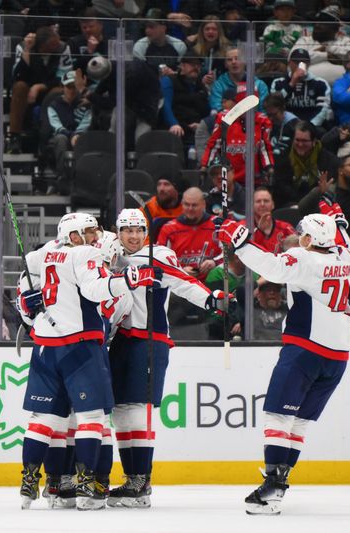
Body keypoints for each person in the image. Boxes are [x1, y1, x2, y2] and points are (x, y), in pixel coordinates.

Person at [217, 198, 350, 515]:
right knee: (300, 422)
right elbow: (348, 247)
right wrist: (338, 221)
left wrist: (240, 243)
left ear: (309, 239)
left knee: (277, 417)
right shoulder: (347, 259)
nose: (297, 239)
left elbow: (272, 268)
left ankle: (272, 489)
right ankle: (278, 483)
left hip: (305, 349)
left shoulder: (303, 258)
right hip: (338, 357)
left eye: (301, 235)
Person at [16, 212, 158, 511]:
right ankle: (88, 485)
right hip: (82, 347)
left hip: (45, 346)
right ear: (76, 236)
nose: (98, 240)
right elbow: (98, 293)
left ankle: (40, 483)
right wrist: (127, 279)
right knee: (93, 419)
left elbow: (27, 285)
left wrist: (25, 303)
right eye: (91, 233)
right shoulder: (88, 257)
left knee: (47, 420)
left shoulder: (46, 254)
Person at [107, 208, 229, 508]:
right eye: (127, 230)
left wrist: (211, 298)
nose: (133, 236)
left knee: (139, 409)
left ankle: (142, 480)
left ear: (146, 232)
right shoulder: (109, 255)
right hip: (120, 340)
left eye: (138, 230)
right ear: (118, 232)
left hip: (149, 340)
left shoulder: (158, 256)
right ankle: (132, 478)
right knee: (121, 411)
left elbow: (181, 281)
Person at [7, 25, 73, 154]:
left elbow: (64, 78)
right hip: (28, 88)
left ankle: (47, 138)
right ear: (42, 46)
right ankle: (14, 136)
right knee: (19, 87)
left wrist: (39, 87)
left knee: (60, 91)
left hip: (51, 88)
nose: (58, 45)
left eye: (58, 41)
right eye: (53, 44)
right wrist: (27, 50)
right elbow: (18, 76)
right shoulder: (23, 47)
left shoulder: (63, 48)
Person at [202, 84, 274, 187]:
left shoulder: (262, 121)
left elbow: (265, 148)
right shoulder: (224, 118)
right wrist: (204, 166)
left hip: (255, 181)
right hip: (229, 180)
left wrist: (269, 168)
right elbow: (213, 145)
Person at [298, 155, 350, 243]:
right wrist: (319, 191)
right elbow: (303, 209)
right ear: (340, 171)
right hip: (332, 242)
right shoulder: (327, 192)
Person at [156, 187, 222, 281]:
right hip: (179, 284)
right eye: (187, 204)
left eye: (194, 205)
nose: (190, 209)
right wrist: (180, 271)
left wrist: (214, 262)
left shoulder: (218, 225)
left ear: (203, 204)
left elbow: (230, 255)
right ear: (182, 204)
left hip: (212, 283)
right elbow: (159, 262)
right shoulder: (169, 229)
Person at [272, 121, 340, 208]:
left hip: (318, 205)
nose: (300, 144)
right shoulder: (283, 158)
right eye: (297, 140)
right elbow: (280, 187)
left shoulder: (329, 161)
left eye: (304, 141)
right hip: (289, 206)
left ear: (314, 141)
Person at [44, 70, 92, 193]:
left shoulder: (86, 104)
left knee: (84, 139)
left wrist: (77, 135)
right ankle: (62, 178)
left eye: (74, 87)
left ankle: (82, 180)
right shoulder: (53, 105)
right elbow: (56, 127)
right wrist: (72, 135)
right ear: (63, 87)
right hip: (57, 139)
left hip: (80, 137)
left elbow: (86, 124)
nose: (71, 90)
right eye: (68, 87)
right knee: (61, 138)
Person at [270, 49, 332, 132]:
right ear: (289, 63)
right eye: (296, 62)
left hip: (311, 126)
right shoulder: (278, 83)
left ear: (309, 64)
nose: (300, 65)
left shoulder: (320, 83)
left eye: (304, 62)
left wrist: (309, 126)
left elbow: (323, 109)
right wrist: (292, 83)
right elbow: (274, 105)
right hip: (286, 125)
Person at [160, 53, 210, 149]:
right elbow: (165, 105)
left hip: (197, 130)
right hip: (176, 128)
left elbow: (206, 109)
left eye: (198, 65)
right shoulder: (169, 80)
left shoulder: (201, 85)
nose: (195, 67)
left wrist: (202, 125)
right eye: (192, 64)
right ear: (182, 66)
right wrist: (173, 124)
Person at [208, 47, 269, 114]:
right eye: (229, 60)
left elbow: (264, 111)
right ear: (225, 64)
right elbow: (217, 109)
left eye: (237, 58)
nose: (233, 62)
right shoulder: (218, 85)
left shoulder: (259, 85)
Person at [246, 187, 297, 254]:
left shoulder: (286, 228)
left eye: (266, 201)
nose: (262, 204)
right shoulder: (243, 227)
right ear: (252, 205)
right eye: (258, 201)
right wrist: (259, 231)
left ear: (273, 205)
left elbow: (298, 250)